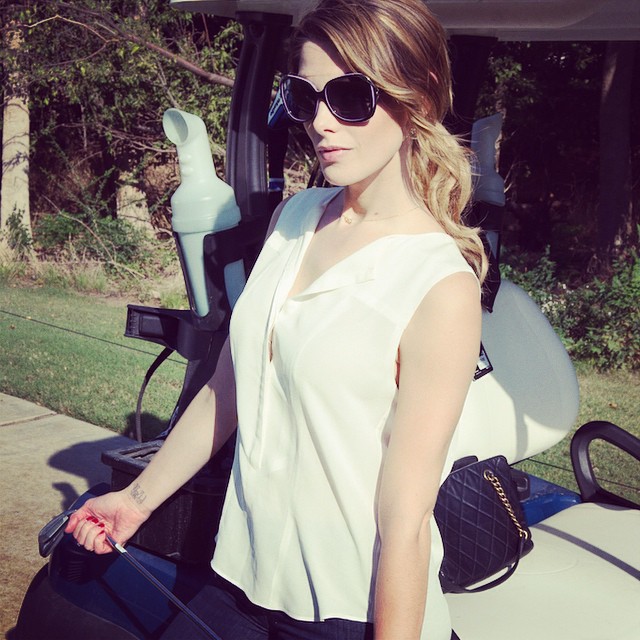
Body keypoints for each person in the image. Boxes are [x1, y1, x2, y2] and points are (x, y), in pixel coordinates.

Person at [66, 0, 488, 638]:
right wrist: (136, 500)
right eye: (305, 97)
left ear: (418, 98)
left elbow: (405, 519)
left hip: (347, 609)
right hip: (240, 574)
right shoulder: (296, 218)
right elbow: (230, 385)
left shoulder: (439, 285)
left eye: (350, 96)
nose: (321, 121)